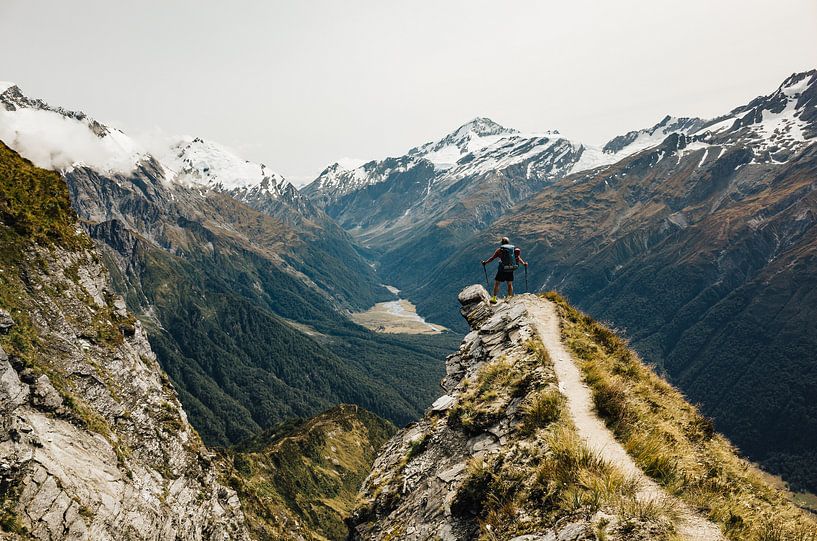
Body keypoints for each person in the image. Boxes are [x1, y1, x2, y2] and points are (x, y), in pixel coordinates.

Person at [482, 236, 527, 303]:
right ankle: (510, 298)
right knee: (509, 284)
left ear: (501, 243)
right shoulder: (513, 250)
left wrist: (485, 263)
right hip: (510, 268)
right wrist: (524, 263)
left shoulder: (499, 250)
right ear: (508, 242)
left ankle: (494, 298)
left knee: (497, 283)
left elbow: (492, 258)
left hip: (502, 269)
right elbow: (518, 258)